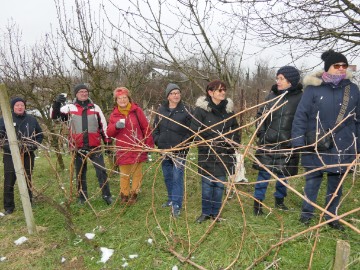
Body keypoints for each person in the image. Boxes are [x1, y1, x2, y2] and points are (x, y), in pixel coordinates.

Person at [292, 50, 360, 231]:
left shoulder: (352, 89)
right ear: (327, 68)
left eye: (344, 66)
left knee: (336, 184)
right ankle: (306, 215)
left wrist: (357, 145)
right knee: (313, 181)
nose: (341, 69)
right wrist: (299, 141)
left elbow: (358, 119)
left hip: (344, 145)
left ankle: (332, 217)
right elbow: (301, 116)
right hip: (316, 144)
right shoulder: (313, 89)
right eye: (336, 66)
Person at [252, 66, 303, 215]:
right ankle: (257, 204)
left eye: (281, 78)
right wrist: (261, 132)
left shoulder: (300, 98)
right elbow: (260, 116)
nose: (278, 81)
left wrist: (296, 139)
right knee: (263, 174)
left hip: (287, 143)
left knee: (283, 174)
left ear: (291, 81)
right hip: (268, 142)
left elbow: (303, 120)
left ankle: (279, 201)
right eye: (277, 78)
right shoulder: (271, 96)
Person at [51, 84, 112, 205]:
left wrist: (108, 144)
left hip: (95, 146)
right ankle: (82, 197)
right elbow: (55, 116)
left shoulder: (95, 108)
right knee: (80, 173)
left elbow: (103, 126)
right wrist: (57, 103)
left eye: (86, 91)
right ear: (76, 94)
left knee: (101, 171)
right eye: (81, 92)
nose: (84, 93)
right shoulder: (69, 108)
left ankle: (107, 195)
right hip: (77, 147)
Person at [190, 80, 240, 223]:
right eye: (219, 90)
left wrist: (232, 144)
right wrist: (206, 143)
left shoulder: (228, 110)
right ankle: (205, 213)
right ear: (210, 93)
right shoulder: (201, 111)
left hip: (224, 153)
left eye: (224, 90)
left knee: (219, 185)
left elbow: (235, 129)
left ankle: (216, 214)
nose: (223, 92)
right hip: (207, 154)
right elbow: (194, 132)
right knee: (207, 185)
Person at [107, 87, 154, 205]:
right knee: (124, 173)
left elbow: (146, 128)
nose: (122, 100)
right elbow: (109, 133)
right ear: (116, 100)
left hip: (137, 146)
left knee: (137, 173)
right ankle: (124, 195)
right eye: (119, 98)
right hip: (123, 148)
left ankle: (134, 194)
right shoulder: (114, 115)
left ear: (129, 98)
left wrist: (148, 144)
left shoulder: (137, 111)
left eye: (124, 97)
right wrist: (116, 126)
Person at [153, 83, 192, 217]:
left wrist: (183, 143)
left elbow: (191, 131)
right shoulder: (161, 110)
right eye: (173, 93)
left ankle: (176, 204)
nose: (176, 95)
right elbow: (155, 128)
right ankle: (171, 199)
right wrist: (158, 140)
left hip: (179, 150)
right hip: (164, 149)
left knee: (177, 176)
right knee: (167, 176)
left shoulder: (186, 110)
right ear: (168, 96)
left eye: (178, 93)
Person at [0, 97, 43, 215]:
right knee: (10, 179)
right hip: (10, 155)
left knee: (27, 177)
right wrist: (10, 147)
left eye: (22, 105)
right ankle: (8, 206)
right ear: (13, 107)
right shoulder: (5, 119)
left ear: (24, 107)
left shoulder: (31, 120)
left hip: (28, 154)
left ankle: (28, 201)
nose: (20, 107)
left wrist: (32, 146)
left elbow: (40, 135)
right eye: (17, 105)